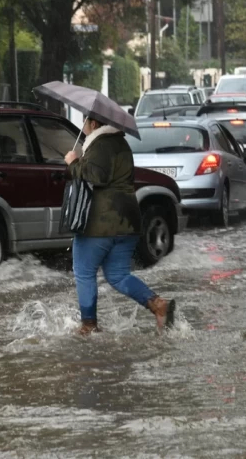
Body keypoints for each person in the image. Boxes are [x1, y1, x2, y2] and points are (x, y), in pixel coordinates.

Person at [64, 117, 176, 335]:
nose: (83, 127)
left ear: (94, 124)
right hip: (128, 220)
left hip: (100, 222)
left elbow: (97, 176)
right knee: (118, 275)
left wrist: (73, 163)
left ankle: (88, 325)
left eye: (85, 122)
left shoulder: (101, 144)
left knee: (84, 272)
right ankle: (158, 305)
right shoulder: (120, 143)